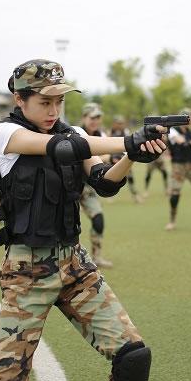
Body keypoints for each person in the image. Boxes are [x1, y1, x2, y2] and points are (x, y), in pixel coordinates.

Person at [0, 59, 165, 381]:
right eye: (44, 102)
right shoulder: (6, 135)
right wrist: (127, 139)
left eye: (59, 102)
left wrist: (131, 155)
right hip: (27, 269)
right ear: (20, 99)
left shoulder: (73, 131)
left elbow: (104, 181)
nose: (53, 110)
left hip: (75, 265)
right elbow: (62, 148)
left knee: (134, 359)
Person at [78, 102, 113, 267]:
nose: (95, 121)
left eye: (98, 117)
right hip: (69, 185)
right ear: (84, 118)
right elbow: (101, 156)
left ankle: (96, 256)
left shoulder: (102, 135)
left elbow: (109, 156)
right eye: (92, 117)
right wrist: (104, 156)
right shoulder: (74, 133)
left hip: (87, 187)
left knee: (98, 220)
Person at [109, 115, 144, 204]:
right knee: (111, 179)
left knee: (130, 178)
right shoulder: (110, 132)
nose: (120, 125)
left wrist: (123, 158)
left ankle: (135, 195)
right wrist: (112, 158)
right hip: (113, 160)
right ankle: (110, 195)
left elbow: (129, 146)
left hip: (124, 159)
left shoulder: (126, 132)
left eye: (121, 123)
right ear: (114, 123)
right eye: (118, 123)